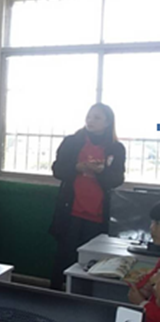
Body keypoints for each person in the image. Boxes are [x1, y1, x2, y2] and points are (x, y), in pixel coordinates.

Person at [50, 103, 126, 291]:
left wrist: (101, 172)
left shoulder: (116, 148)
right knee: (64, 258)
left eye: (97, 118)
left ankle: (85, 298)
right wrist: (77, 168)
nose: (90, 121)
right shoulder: (72, 142)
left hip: (98, 215)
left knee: (91, 264)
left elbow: (117, 179)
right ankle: (56, 294)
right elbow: (57, 170)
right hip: (71, 212)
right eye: (89, 117)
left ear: (108, 122)